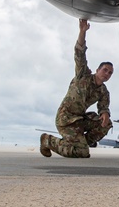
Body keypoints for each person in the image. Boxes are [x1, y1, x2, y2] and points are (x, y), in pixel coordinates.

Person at [40, 19, 113, 159]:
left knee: (107, 123)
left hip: (80, 120)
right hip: (66, 119)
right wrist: (82, 32)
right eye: (105, 70)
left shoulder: (104, 91)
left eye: (110, 73)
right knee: (82, 153)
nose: (107, 74)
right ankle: (48, 140)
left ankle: (81, 142)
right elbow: (79, 53)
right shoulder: (83, 75)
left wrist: (105, 114)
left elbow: (103, 107)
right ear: (97, 70)